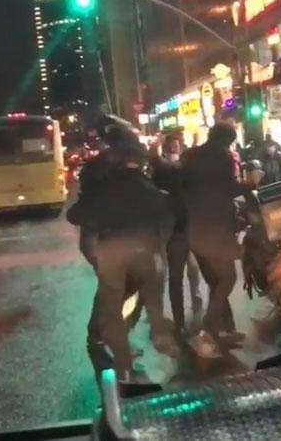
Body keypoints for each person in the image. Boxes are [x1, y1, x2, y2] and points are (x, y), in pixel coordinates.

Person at [69, 120, 178, 380]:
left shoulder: (103, 176)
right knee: (138, 292)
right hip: (134, 249)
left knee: (115, 296)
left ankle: (120, 356)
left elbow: (77, 214)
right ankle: (133, 335)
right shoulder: (142, 185)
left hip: (108, 246)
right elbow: (167, 215)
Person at [181, 123, 251, 358]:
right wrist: (250, 183)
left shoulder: (192, 156)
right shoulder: (222, 158)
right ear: (227, 140)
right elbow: (229, 188)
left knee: (217, 279)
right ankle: (209, 327)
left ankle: (220, 328)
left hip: (196, 226)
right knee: (228, 278)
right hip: (215, 227)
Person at [150, 136, 203, 334]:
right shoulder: (169, 173)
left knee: (190, 271)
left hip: (186, 231)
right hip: (176, 232)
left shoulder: (185, 175)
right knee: (174, 276)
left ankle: (192, 309)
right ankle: (179, 320)